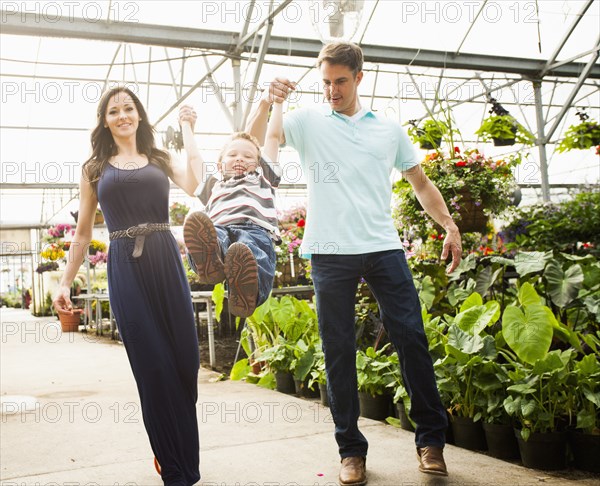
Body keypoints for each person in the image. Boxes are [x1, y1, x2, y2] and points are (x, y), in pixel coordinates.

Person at [246, 42, 462, 485]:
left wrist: (448, 224)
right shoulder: (306, 121)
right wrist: (269, 98)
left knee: (412, 338)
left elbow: (419, 183)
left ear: (359, 78)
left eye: (340, 82)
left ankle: (431, 441)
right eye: (325, 82)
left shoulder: (387, 129)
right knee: (338, 349)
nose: (332, 91)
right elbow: (254, 138)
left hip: (383, 246)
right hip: (328, 250)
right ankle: (350, 450)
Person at [53, 86, 202, 486]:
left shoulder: (159, 157)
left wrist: (188, 128)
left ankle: (182, 454)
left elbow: (194, 184)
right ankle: (175, 467)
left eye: (129, 108)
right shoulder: (95, 168)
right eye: (114, 111)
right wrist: (65, 282)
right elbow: (83, 234)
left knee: (186, 362)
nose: (122, 115)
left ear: (139, 115)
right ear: (105, 120)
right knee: (152, 365)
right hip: (125, 265)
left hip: (165, 260)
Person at [181, 101, 285, 318]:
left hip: (255, 232)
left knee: (248, 252)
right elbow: (193, 157)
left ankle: (246, 293)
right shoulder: (212, 186)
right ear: (219, 165)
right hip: (219, 231)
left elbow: (273, 137)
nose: (240, 158)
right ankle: (211, 262)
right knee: (210, 233)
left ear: (258, 164)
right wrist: (186, 125)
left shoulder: (263, 178)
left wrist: (278, 104)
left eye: (248, 157)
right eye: (232, 155)